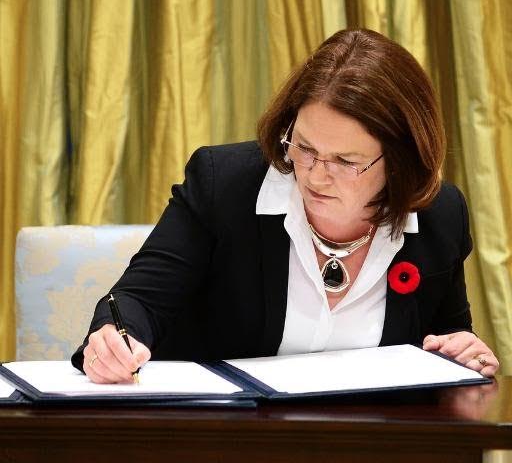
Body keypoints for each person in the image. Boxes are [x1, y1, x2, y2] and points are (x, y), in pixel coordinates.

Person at [72, 28, 499, 383]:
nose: (315, 175)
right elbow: (139, 301)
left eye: (345, 161)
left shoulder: (439, 215)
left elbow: (446, 337)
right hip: (229, 438)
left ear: (400, 161)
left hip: (370, 441)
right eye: (305, 147)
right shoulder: (225, 186)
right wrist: (114, 339)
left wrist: (463, 353)